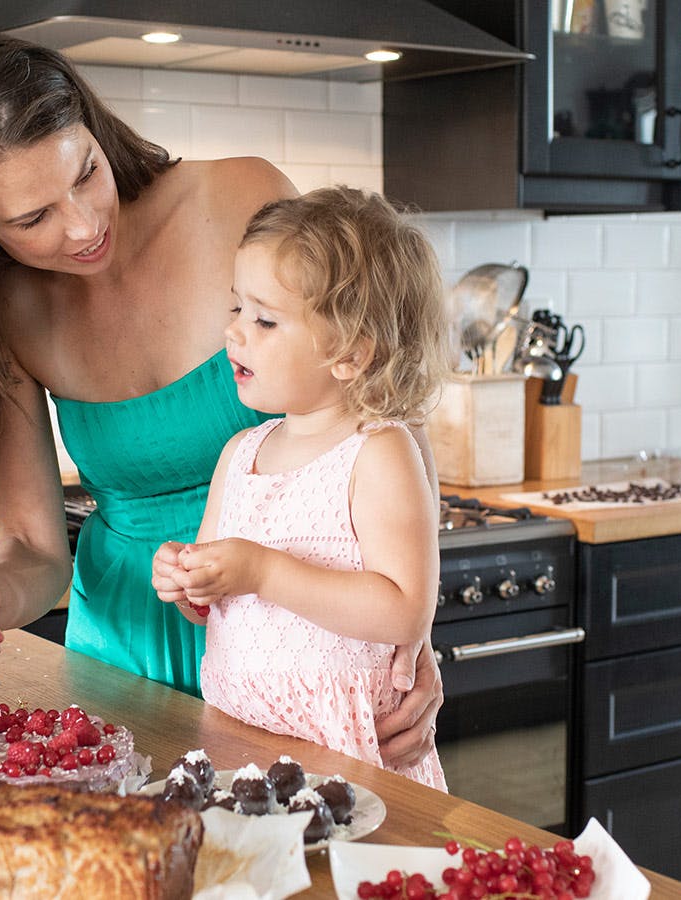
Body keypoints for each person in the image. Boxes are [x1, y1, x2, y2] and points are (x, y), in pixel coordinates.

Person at [0, 29, 442, 767]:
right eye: (34, 218)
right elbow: (38, 552)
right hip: (124, 660)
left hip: (310, 647)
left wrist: (412, 637)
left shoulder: (241, 198)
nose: (86, 224)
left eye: (86, 173)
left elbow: (386, 413)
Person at [152, 187, 448, 789]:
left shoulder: (378, 452)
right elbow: (214, 603)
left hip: (349, 755)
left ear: (350, 354)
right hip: (238, 739)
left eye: (264, 320)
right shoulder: (240, 454)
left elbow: (404, 608)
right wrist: (189, 582)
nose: (234, 331)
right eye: (237, 308)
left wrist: (263, 572)